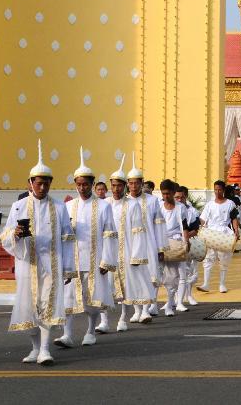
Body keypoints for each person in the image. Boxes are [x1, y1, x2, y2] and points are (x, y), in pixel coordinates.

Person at [1, 140, 76, 365]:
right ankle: (34, 347)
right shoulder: (19, 206)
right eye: (39, 183)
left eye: (46, 184)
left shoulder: (60, 208)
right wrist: (16, 232)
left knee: (48, 305)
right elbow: (5, 236)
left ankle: (45, 349)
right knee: (29, 307)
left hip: (51, 264)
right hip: (27, 264)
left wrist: (68, 268)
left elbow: (67, 239)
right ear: (30, 183)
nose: (42, 187)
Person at [55, 148, 118, 348]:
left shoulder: (103, 206)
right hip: (72, 260)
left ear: (92, 184)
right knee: (69, 298)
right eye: (79, 184)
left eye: (85, 184)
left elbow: (110, 233)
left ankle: (91, 331)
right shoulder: (68, 206)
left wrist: (106, 260)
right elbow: (63, 236)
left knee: (92, 298)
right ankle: (67, 334)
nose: (82, 188)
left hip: (94, 258)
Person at [98, 156, 152, 333]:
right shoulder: (104, 204)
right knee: (104, 287)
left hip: (126, 251)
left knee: (124, 287)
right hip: (106, 251)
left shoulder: (133, 206)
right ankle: (104, 321)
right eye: (113, 185)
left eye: (119, 185)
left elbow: (138, 232)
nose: (116, 189)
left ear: (125, 186)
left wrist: (136, 255)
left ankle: (122, 319)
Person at [126, 153, 165, 322]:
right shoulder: (123, 202)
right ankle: (136, 310)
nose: (134, 186)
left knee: (149, 276)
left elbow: (159, 224)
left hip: (149, 243)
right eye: (131, 183)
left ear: (142, 183)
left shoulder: (152, 201)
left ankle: (146, 309)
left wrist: (160, 247)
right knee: (133, 277)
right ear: (128, 184)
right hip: (130, 244)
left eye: (137, 183)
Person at [198, 180, 241, 293]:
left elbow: (234, 218)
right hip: (211, 233)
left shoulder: (230, 204)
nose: (217, 192)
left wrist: (236, 231)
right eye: (215, 189)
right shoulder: (210, 204)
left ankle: (222, 284)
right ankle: (206, 284)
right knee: (208, 258)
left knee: (224, 259)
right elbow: (203, 218)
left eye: (220, 190)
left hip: (224, 232)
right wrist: (202, 227)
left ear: (223, 190)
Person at [157, 179, 186, 316]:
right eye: (163, 194)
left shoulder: (181, 208)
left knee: (173, 276)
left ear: (174, 193)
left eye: (168, 193)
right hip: (159, 242)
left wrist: (185, 243)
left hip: (175, 243)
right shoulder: (158, 207)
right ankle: (151, 305)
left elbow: (184, 227)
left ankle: (169, 304)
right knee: (156, 274)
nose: (166, 196)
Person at [174, 185, 200, 308]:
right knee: (173, 273)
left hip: (188, 243)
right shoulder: (168, 209)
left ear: (186, 197)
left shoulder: (192, 211)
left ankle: (189, 295)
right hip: (173, 245)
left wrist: (184, 237)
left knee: (190, 272)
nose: (179, 200)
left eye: (182, 197)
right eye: (177, 197)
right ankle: (174, 298)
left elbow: (195, 229)